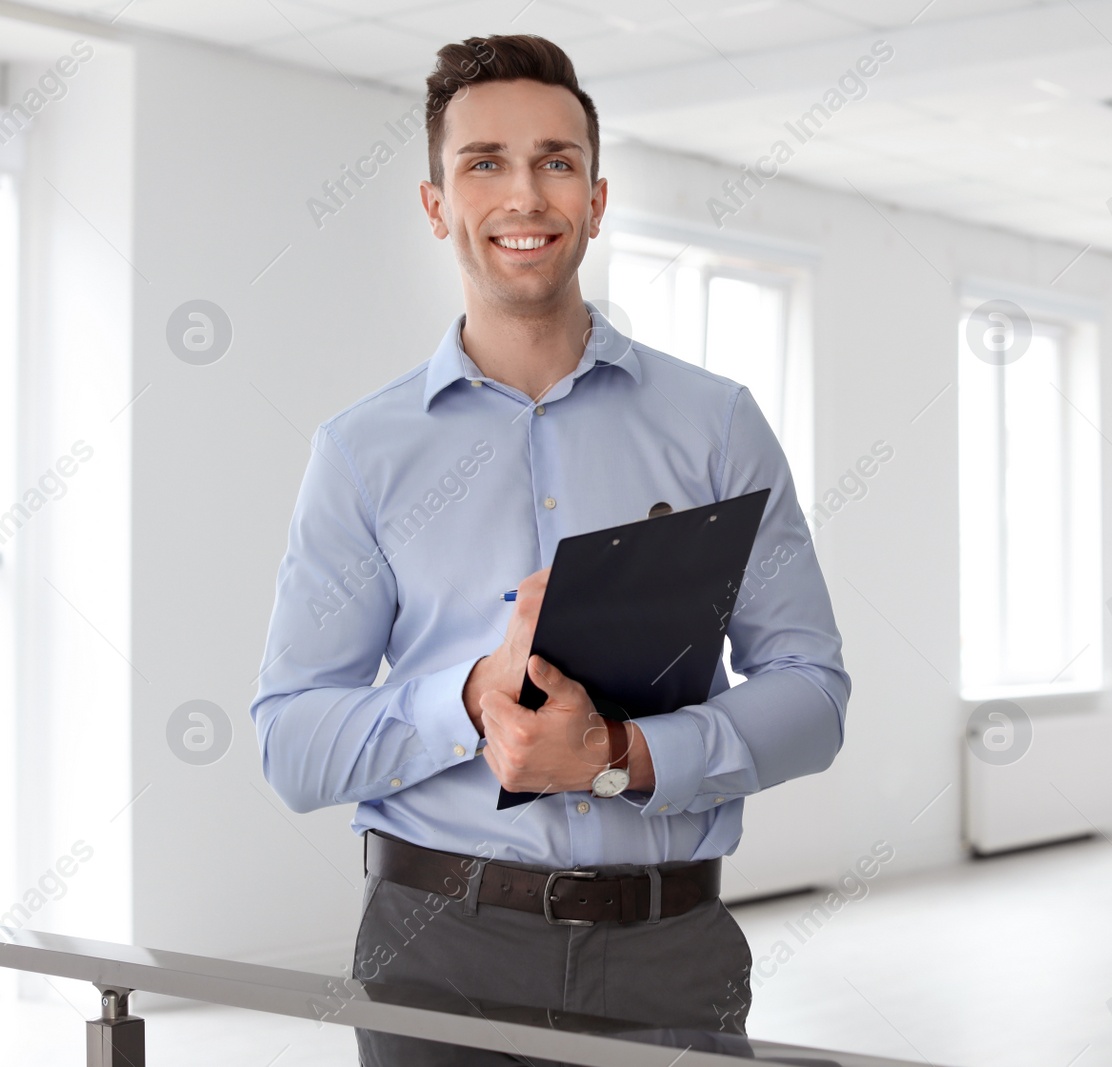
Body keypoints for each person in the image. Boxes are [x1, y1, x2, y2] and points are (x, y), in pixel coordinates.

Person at [248, 33, 850, 1065]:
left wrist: (620, 755)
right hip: (436, 948)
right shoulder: (361, 450)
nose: (524, 194)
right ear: (437, 205)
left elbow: (814, 695)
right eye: (484, 162)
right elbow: (292, 744)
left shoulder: (715, 425)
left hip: (667, 951)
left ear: (596, 198)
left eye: (555, 161)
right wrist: (469, 700)